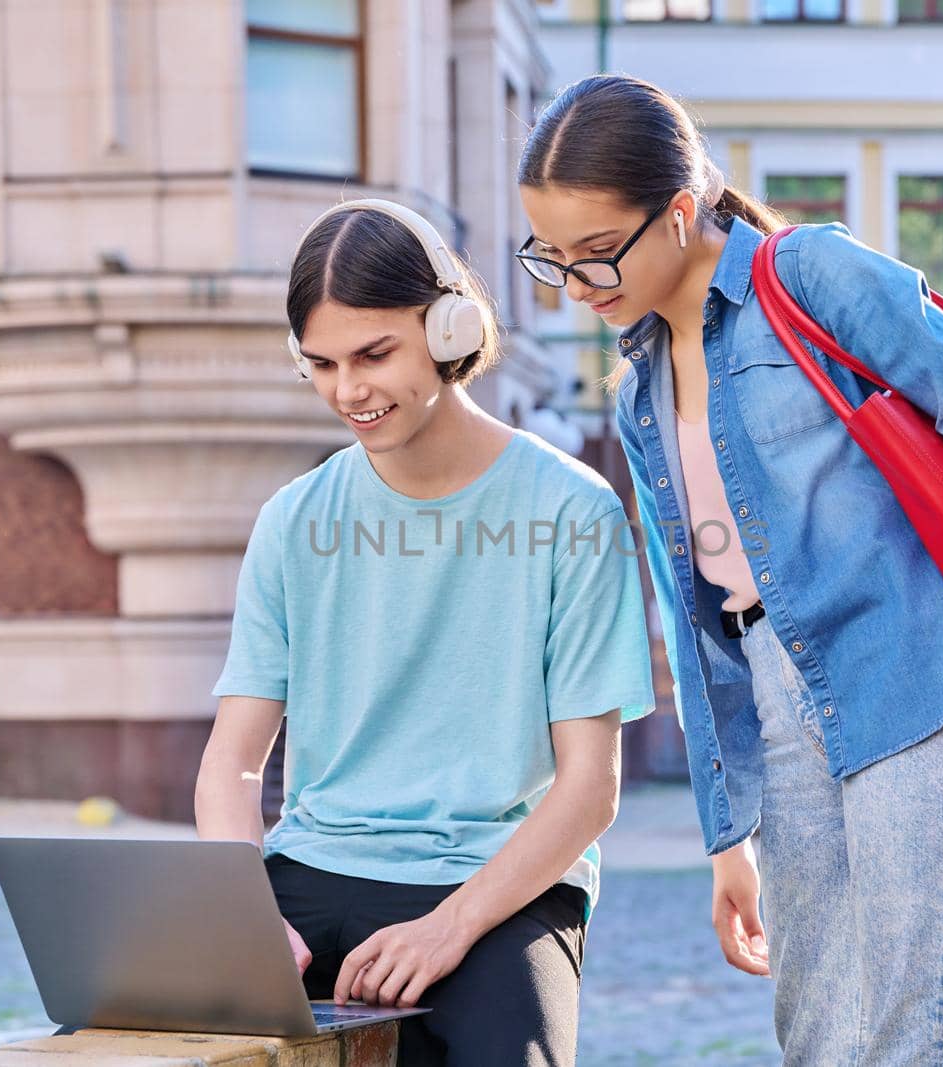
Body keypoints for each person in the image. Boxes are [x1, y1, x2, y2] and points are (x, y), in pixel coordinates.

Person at [515, 75, 943, 1065]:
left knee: (919, 1033)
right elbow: (699, 620)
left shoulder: (811, 278)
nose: (575, 286)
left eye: (594, 254)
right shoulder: (639, 389)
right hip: (784, 711)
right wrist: (727, 827)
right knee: (820, 1042)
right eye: (552, 259)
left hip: (926, 679)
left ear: (676, 213)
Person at [193, 198, 656, 1067]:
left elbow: (589, 789)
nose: (349, 391)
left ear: (449, 330)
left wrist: (449, 928)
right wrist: (245, 916)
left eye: (374, 354)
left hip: (502, 882)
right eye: (323, 364)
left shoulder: (572, 510)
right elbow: (233, 762)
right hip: (312, 869)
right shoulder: (293, 519)